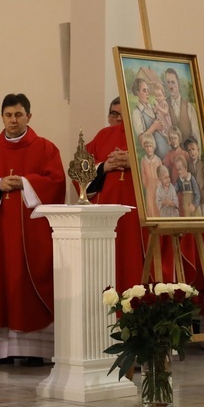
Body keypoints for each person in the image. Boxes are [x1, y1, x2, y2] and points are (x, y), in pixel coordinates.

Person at [0, 93, 65, 365]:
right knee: (1, 282)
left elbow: (57, 182)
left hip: (33, 235)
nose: (13, 120)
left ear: (29, 117)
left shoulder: (46, 148)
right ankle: (0, 352)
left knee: (30, 284)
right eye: (8, 115)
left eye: (18, 115)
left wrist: (25, 182)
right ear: (2, 117)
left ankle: (35, 351)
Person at [84, 101, 145, 291]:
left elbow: (171, 167)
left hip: (140, 222)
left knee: (136, 265)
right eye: (114, 114)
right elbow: (79, 171)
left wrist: (136, 161)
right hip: (105, 219)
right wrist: (103, 167)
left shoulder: (151, 136)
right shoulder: (103, 136)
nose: (119, 119)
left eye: (124, 113)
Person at [131, 77, 170, 159]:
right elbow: (142, 141)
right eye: (144, 91)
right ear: (138, 93)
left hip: (166, 149)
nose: (148, 93)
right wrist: (154, 127)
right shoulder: (137, 112)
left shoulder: (151, 107)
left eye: (148, 90)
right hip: (156, 157)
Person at [164, 68, 201, 144]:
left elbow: (196, 135)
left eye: (173, 82)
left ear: (178, 85)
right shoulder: (163, 106)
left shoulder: (189, 107)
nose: (170, 86)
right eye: (168, 82)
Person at [185, 137, 204, 216]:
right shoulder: (187, 165)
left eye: (193, 149)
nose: (192, 152)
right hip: (193, 200)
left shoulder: (203, 165)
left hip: (203, 199)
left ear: (198, 150)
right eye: (189, 150)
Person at [139, 133, 162, 217]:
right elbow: (143, 174)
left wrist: (160, 184)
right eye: (147, 146)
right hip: (149, 187)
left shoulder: (158, 160)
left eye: (150, 146)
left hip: (158, 186)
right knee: (150, 206)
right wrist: (146, 185)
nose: (149, 149)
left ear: (154, 147)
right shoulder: (143, 160)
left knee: (157, 205)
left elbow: (161, 173)